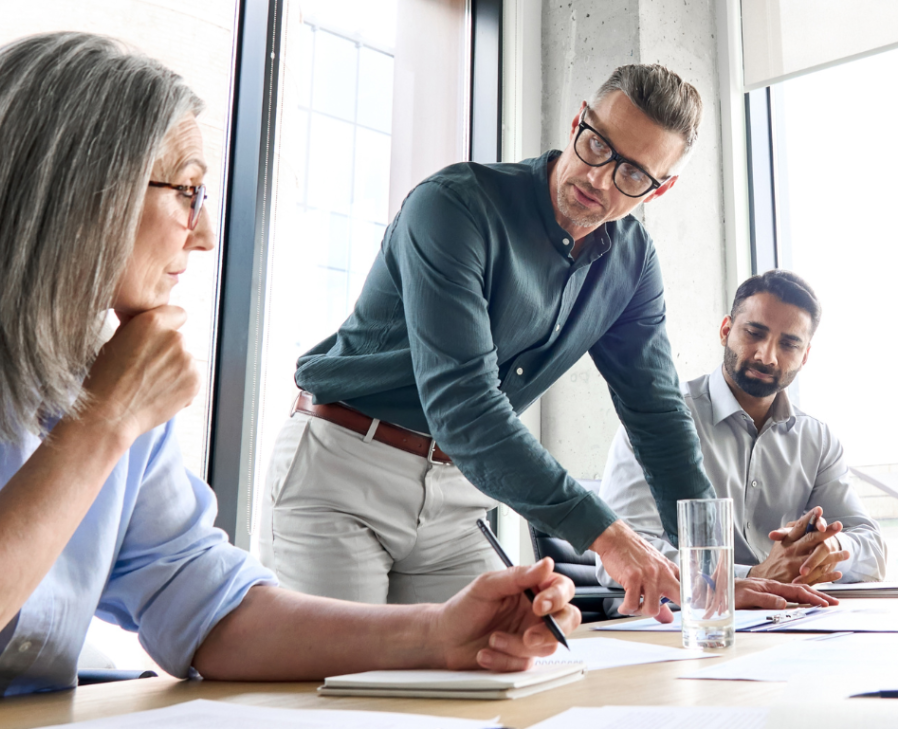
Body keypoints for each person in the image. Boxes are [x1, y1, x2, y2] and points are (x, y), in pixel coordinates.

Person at [0, 33, 582, 729]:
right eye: (187, 191)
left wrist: (436, 634)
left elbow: (205, 605)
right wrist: (103, 423)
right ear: (80, 194)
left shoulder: (103, 364)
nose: (205, 232)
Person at [260, 64, 835, 619]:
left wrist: (716, 576)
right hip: (343, 469)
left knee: (501, 679)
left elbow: (658, 418)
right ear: (578, 122)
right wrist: (609, 536)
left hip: (456, 495)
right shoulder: (455, 206)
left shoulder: (632, 263)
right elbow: (466, 406)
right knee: (342, 696)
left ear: (660, 191)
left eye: (633, 174)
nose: (599, 178)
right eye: (597, 146)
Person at [597, 270, 886, 589]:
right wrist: (749, 578)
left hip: (783, 618)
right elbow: (623, 555)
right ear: (726, 330)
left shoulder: (817, 440)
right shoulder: (657, 417)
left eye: (788, 344)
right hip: (675, 621)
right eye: (754, 333)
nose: (767, 356)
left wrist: (830, 548)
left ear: (805, 356)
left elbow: (872, 548)